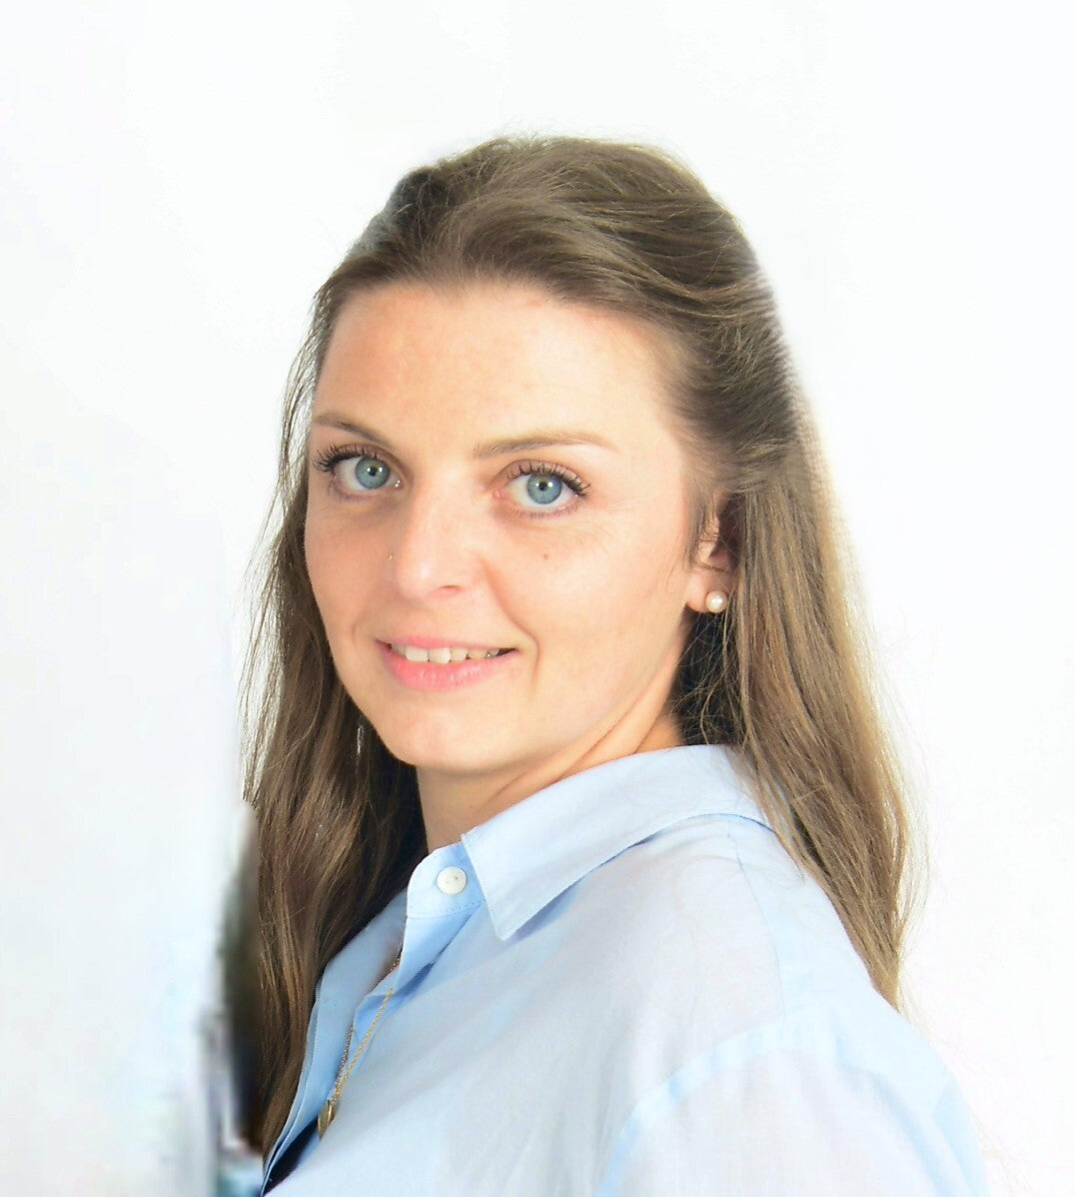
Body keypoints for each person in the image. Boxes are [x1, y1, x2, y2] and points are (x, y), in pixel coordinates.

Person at [236, 134, 989, 1196]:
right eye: (365, 469)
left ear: (718, 543)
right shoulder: (413, 948)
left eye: (540, 485)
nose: (416, 566)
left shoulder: (740, 1054)